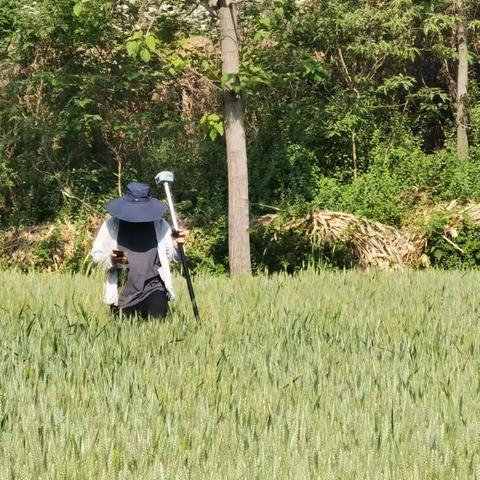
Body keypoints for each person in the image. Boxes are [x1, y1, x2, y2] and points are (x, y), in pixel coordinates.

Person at [91, 182, 185, 319]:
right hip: (123, 294)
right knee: (124, 335)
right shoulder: (111, 226)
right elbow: (96, 256)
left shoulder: (159, 225)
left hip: (153, 287)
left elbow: (173, 257)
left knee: (158, 322)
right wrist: (110, 259)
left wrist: (177, 246)